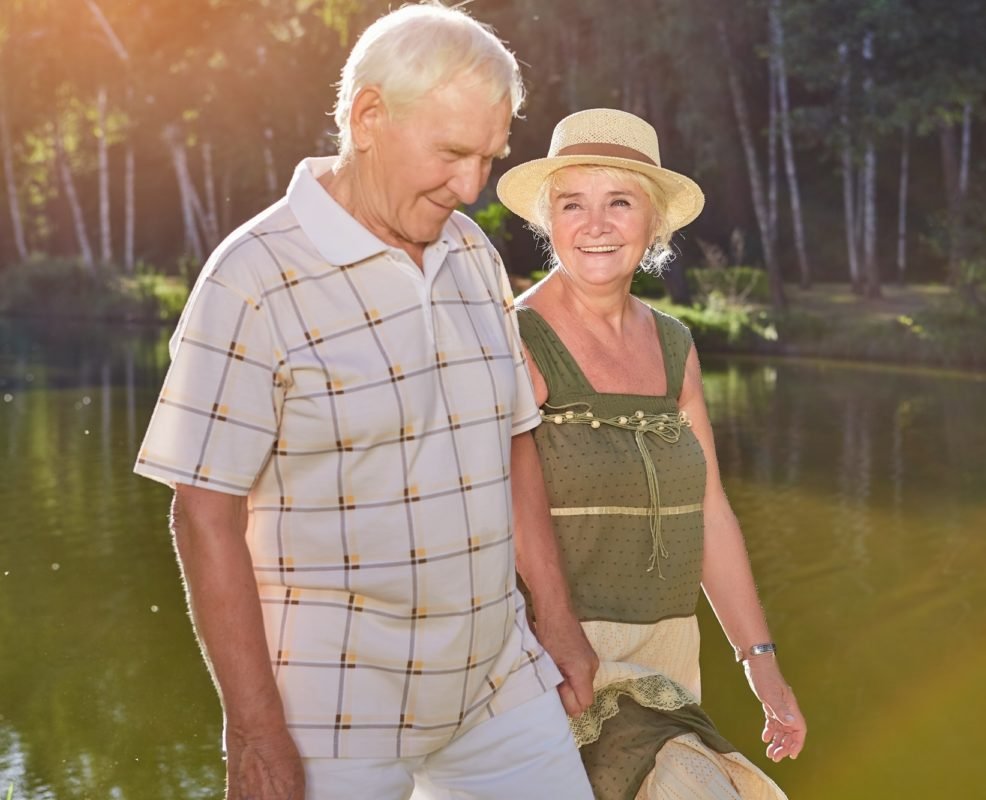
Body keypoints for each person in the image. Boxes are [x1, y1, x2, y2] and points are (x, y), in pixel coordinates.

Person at [133, 4, 597, 798]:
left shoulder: (472, 252)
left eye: (489, 156)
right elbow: (203, 512)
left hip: (496, 684)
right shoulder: (252, 278)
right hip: (332, 709)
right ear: (369, 116)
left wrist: (555, 617)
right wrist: (254, 731)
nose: (471, 186)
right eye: (452, 152)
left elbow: (513, 437)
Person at [495, 108, 806, 799]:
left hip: (667, 668)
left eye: (619, 202)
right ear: (550, 221)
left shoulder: (675, 348)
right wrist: (557, 630)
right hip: (560, 667)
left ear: (654, 222)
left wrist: (761, 664)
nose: (595, 224)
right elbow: (494, 511)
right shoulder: (513, 343)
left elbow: (711, 514)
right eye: (573, 204)